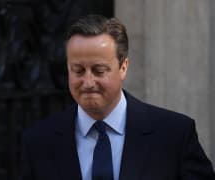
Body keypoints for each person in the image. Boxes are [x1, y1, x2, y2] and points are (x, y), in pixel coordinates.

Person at [21, 14, 215, 180]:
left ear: (123, 67)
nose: (88, 82)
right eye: (78, 70)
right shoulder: (38, 142)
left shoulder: (174, 135)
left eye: (99, 70)